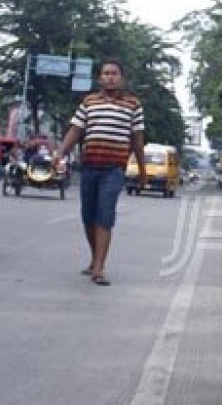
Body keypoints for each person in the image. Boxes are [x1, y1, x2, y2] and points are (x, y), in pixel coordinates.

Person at [55, 60, 146, 286]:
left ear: (122, 78)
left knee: (104, 216)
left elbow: (137, 140)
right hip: (89, 167)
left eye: (114, 73)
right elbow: (76, 130)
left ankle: (98, 268)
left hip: (113, 169)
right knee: (88, 217)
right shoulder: (89, 102)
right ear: (99, 78)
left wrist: (143, 169)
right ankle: (96, 257)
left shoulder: (133, 105)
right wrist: (60, 153)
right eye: (105, 74)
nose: (110, 77)